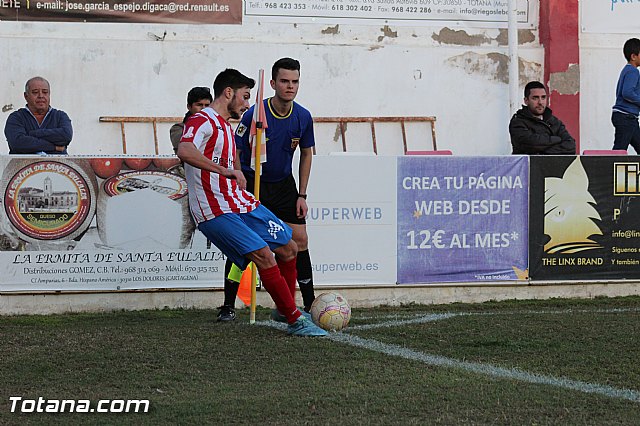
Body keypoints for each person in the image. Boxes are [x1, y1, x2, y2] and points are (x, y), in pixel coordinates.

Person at [176, 68, 327, 337]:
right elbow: (185, 150)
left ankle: (284, 309)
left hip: (238, 202)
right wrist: (225, 171)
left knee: (290, 246)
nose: (247, 104)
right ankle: (293, 318)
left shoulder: (225, 126)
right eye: (245, 97)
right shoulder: (203, 120)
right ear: (229, 92)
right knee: (264, 256)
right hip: (215, 210)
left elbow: (233, 156)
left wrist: (237, 175)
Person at [217, 57, 317, 322]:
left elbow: (307, 154)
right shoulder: (254, 114)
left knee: (299, 241)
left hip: (284, 186)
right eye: (284, 81)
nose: (290, 86)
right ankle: (228, 305)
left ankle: (306, 306)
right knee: (244, 244)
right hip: (254, 183)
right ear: (273, 83)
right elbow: (235, 149)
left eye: (295, 81)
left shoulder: (303, 116)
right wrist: (239, 183)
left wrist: (302, 194)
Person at [4, 76, 72, 154]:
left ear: (49, 94)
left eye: (45, 92)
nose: (41, 96)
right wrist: (54, 147)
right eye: (35, 92)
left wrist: (33, 134)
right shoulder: (16, 118)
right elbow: (18, 143)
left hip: (58, 166)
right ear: (26, 96)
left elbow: (66, 136)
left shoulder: (60, 116)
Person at [509, 81, 575, 155]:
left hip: (553, 165)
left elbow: (571, 146)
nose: (540, 102)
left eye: (543, 97)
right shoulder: (517, 122)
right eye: (535, 98)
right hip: (527, 165)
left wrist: (543, 152)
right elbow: (531, 144)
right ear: (526, 101)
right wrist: (557, 139)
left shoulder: (554, 121)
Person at [612, 38, 640, 154]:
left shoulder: (627, 70)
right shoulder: (633, 71)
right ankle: (605, 171)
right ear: (633, 56)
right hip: (626, 117)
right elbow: (627, 93)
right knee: (619, 150)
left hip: (628, 118)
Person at [169, 87, 213, 154]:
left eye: (207, 105)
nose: (204, 109)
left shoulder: (217, 126)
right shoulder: (179, 129)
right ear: (189, 107)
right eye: (199, 105)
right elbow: (186, 152)